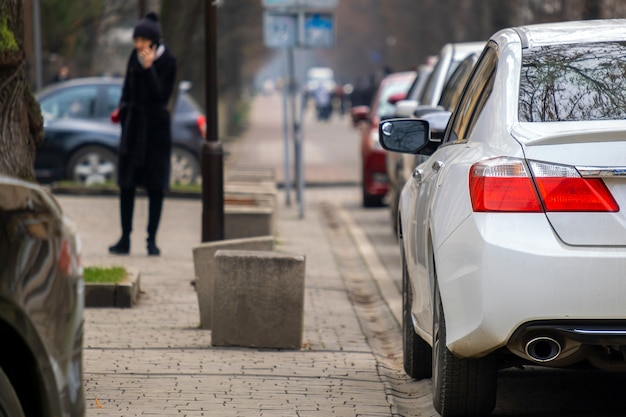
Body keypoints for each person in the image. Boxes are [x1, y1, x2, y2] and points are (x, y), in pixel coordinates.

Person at [108, 11, 177, 256]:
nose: (138, 45)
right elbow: (127, 90)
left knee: (155, 187)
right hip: (133, 129)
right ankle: (125, 238)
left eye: (142, 40)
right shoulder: (133, 58)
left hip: (156, 133)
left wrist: (149, 69)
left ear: (153, 41)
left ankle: (152, 240)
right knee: (126, 185)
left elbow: (162, 96)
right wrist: (123, 111)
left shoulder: (168, 61)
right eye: (136, 40)